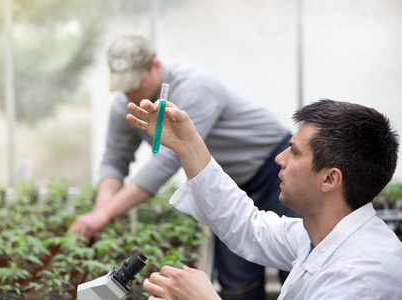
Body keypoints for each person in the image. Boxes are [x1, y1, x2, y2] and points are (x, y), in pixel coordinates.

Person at [69, 35, 298, 299]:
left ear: (155, 66)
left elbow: (168, 160)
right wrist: (100, 209)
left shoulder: (193, 87)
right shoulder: (125, 105)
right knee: (237, 278)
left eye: (134, 83)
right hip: (225, 186)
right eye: (122, 86)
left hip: (272, 172)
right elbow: (114, 159)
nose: (128, 92)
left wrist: (105, 214)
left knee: (293, 266)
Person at [126, 98, 402, 299]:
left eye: (294, 152)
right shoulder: (321, 235)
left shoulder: (361, 279)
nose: (279, 158)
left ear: (330, 179)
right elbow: (248, 227)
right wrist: (187, 145)